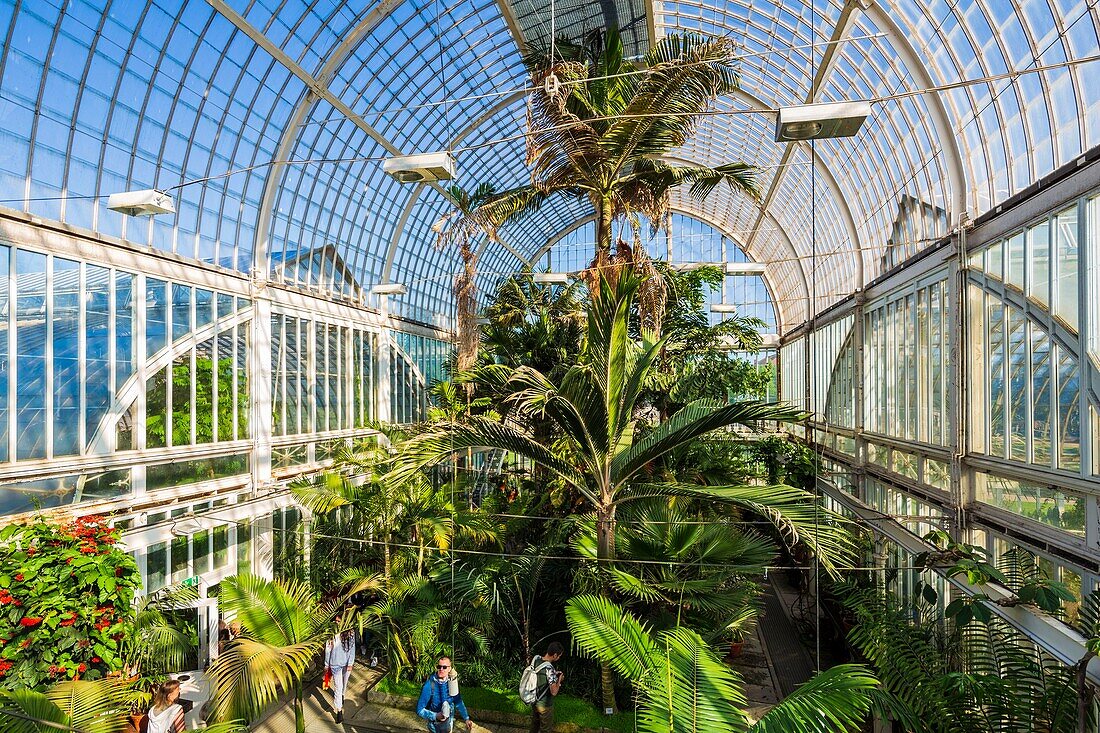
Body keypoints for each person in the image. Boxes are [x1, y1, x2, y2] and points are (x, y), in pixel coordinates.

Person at [416, 656, 473, 732]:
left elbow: (458, 702)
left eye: (444, 667)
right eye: (439, 666)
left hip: (449, 725)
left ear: (450, 669)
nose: (441, 669)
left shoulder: (452, 684)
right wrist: (436, 716)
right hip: (435, 728)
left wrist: (466, 719)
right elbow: (419, 710)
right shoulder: (429, 685)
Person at [528, 642, 564, 733]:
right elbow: (554, 692)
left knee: (534, 727)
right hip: (545, 705)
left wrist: (553, 674)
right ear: (555, 655)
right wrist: (559, 679)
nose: (559, 658)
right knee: (545, 730)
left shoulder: (537, 659)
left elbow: (540, 675)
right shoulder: (549, 669)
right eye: (559, 656)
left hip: (534, 701)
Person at [325, 623, 357, 724]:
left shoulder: (350, 632)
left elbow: (352, 648)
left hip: (347, 663)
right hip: (335, 664)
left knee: (344, 684)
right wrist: (326, 665)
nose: (337, 623)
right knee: (338, 687)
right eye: (336, 621)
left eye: (339, 621)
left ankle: (342, 696)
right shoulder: (331, 634)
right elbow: (328, 650)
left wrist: (351, 663)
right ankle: (339, 711)